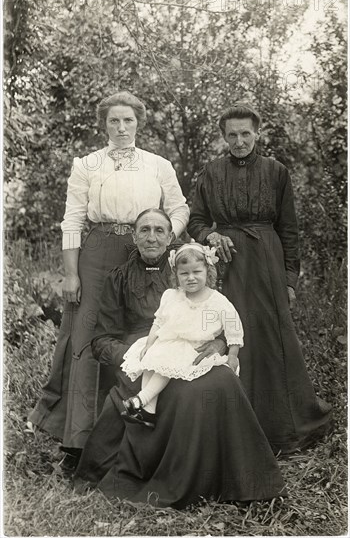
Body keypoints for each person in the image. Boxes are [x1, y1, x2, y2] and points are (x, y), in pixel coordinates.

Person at [74, 208, 287, 508]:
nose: (151, 237)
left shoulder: (190, 266)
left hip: (192, 352)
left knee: (224, 380)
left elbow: (218, 316)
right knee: (180, 395)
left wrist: (219, 344)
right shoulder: (118, 278)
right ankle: (175, 477)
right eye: (144, 230)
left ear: (170, 236)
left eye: (159, 230)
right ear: (133, 237)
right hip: (142, 358)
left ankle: (238, 478)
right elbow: (101, 340)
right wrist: (137, 357)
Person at [27, 92, 189, 461]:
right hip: (97, 252)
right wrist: (71, 274)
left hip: (141, 251)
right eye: (114, 121)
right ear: (104, 124)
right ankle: (78, 441)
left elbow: (179, 209)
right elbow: (72, 221)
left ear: (139, 123)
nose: (121, 128)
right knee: (86, 337)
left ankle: (133, 432)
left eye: (128, 120)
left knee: (138, 334)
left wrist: (161, 236)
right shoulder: (87, 164)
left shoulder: (158, 164)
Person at [188, 100, 332, 454]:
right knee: (231, 334)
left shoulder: (276, 171)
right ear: (224, 136)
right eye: (232, 135)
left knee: (270, 338)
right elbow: (195, 220)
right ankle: (234, 421)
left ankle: (283, 426)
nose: (239, 141)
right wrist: (211, 235)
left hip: (267, 261)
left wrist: (289, 279)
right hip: (229, 264)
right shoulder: (211, 171)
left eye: (246, 134)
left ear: (257, 133)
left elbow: (290, 229)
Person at [120, 242, 244, 427]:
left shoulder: (218, 300)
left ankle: (140, 399)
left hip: (195, 347)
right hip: (169, 342)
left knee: (167, 359)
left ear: (208, 272)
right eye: (184, 273)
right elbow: (158, 322)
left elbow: (234, 328)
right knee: (150, 359)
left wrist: (233, 355)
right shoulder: (171, 295)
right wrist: (149, 344)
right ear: (176, 275)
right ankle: (148, 412)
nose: (191, 278)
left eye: (197, 272)